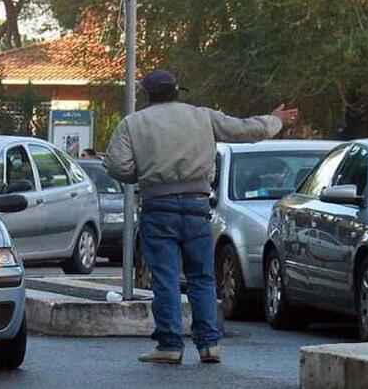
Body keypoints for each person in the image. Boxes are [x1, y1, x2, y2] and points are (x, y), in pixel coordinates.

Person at [104, 70, 298, 365]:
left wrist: (142, 175)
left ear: (146, 94)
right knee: (202, 277)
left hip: (157, 207)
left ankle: (169, 345)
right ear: (177, 92)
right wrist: (276, 120)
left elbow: (117, 165)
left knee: (166, 278)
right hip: (197, 205)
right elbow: (244, 130)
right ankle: (209, 345)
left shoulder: (133, 123)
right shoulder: (202, 116)